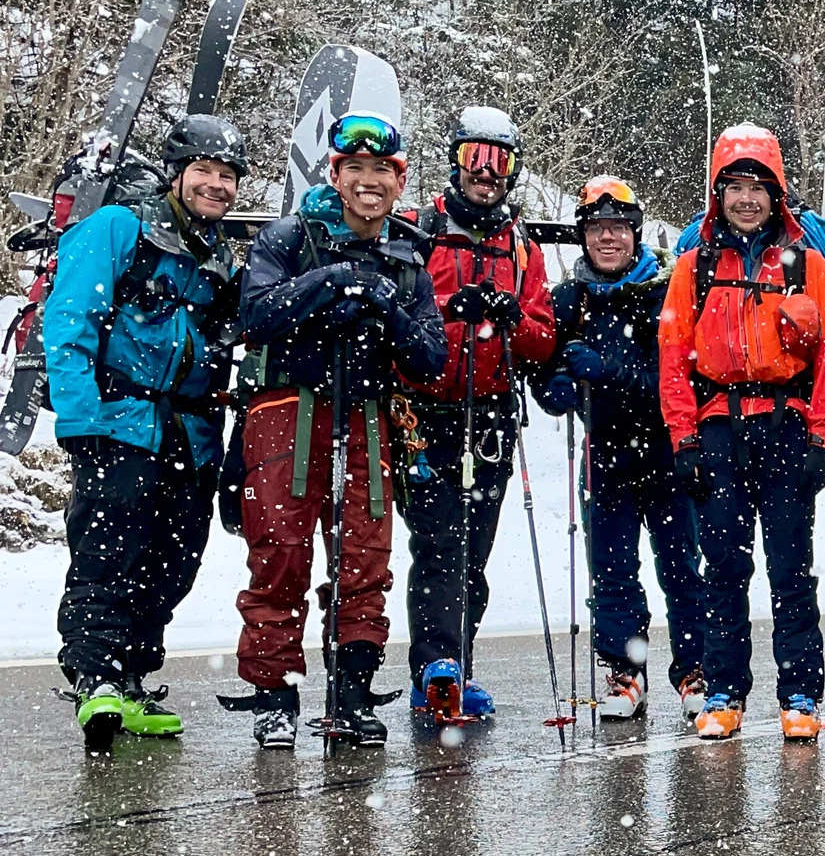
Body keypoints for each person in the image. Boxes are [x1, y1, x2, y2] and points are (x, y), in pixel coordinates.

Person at [226, 115, 447, 747]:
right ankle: (273, 694)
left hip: (369, 417)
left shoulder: (406, 258)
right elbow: (256, 316)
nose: (369, 181)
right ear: (336, 174)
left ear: (399, 182)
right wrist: (329, 283)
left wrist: (385, 306)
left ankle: (352, 691)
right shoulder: (289, 238)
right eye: (356, 169)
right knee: (281, 554)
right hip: (287, 413)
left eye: (382, 171)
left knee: (364, 559)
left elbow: (430, 360)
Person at [46, 116, 248, 753]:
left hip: (188, 433)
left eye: (227, 176)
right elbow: (70, 322)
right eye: (204, 172)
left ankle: (131, 678)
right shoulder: (118, 230)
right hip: (120, 421)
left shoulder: (218, 258)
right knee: (109, 551)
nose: (216, 185)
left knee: (174, 559)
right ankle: (95, 676)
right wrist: (79, 420)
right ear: (176, 174)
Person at [657, 124, 825, 742]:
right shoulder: (693, 267)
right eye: (734, 187)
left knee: (792, 568)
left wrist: (822, 440)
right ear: (717, 194)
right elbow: (673, 358)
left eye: (758, 188)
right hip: (717, 431)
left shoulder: (805, 263)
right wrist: (683, 440)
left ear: (777, 194)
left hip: (786, 427)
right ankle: (723, 691)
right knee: (723, 569)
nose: (746, 200)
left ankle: (798, 693)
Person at [399, 106, 556, 720]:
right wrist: (446, 307)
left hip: (489, 418)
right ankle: (434, 666)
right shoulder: (418, 231)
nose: (486, 174)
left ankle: (454, 664)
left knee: (474, 552)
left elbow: (544, 338)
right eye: (474, 159)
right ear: (455, 163)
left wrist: (514, 318)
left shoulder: (521, 250)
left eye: (499, 162)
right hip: (426, 414)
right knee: (438, 544)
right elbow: (397, 316)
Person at [534, 176, 706, 720]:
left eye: (618, 229)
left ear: (635, 234)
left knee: (681, 566)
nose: (608, 239)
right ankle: (626, 671)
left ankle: (693, 669)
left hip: (667, 450)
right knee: (611, 570)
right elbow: (542, 361)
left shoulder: (665, 292)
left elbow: (680, 376)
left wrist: (610, 371)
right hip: (603, 454)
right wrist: (552, 388)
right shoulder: (571, 298)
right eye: (597, 229)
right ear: (584, 236)